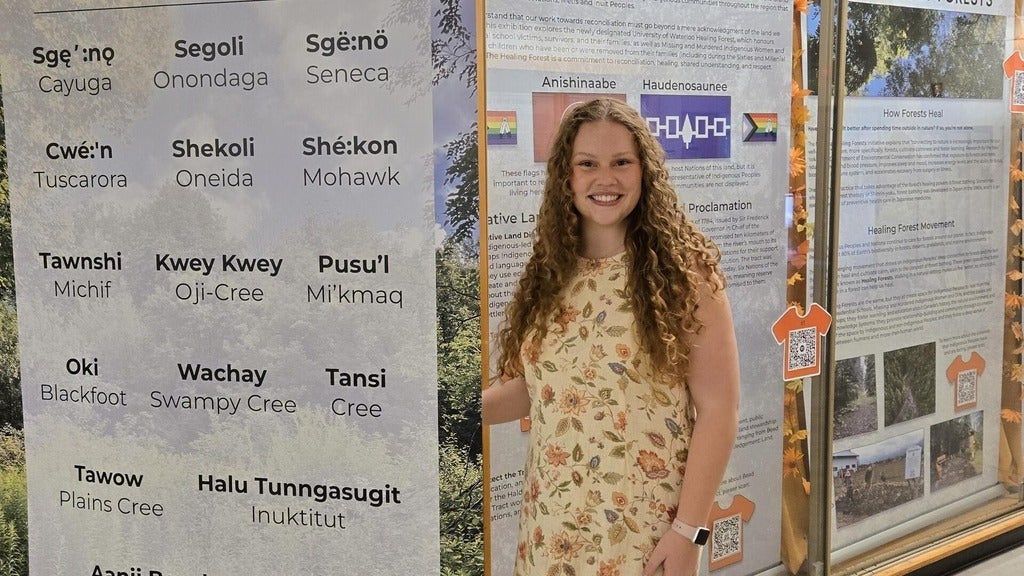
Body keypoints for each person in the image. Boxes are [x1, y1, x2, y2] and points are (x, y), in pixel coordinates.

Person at [483, 98, 740, 576]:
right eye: (588, 165)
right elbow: (546, 388)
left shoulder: (685, 276)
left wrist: (689, 534)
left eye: (621, 162)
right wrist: (448, 409)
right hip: (551, 531)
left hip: (642, 537)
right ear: (567, 176)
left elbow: (720, 410)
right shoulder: (549, 275)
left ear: (644, 171)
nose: (606, 179)